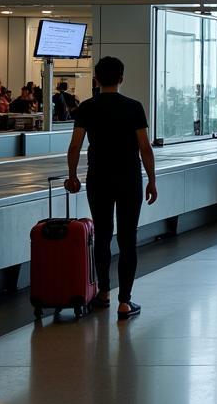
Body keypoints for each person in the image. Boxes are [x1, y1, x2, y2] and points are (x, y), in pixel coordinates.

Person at [64, 56, 157, 320]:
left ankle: (103, 293)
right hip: (128, 179)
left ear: (96, 79)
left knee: (102, 235)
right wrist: (151, 179)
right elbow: (144, 147)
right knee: (128, 238)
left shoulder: (87, 108)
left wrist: (72, 176)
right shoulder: (133, 107)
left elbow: (75, 146)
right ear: (121, 78)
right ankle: (124, 302)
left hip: (98, 179)